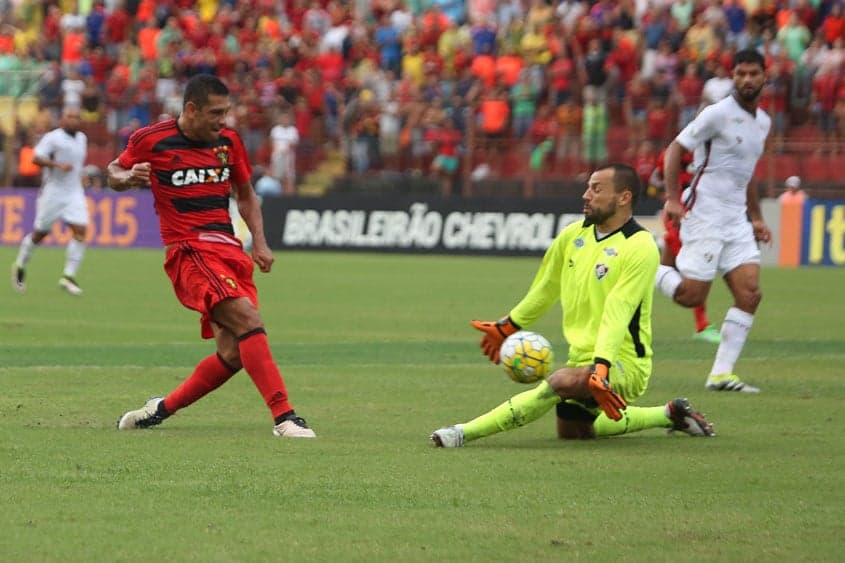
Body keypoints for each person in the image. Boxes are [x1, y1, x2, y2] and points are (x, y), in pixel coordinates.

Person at [430, 163, 714, 448]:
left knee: (561, 382)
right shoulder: (572, 235)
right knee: (575, 432)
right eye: (588, 187)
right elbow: (546, 288)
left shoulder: (639, 246)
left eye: (596, 189)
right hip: (583, 358)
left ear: (623, 198)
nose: (586, 195)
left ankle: (463, 432)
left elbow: (619, 310)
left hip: (624, 362)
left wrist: (602, 369)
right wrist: (509, 325)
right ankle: (669, 414)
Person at [107, 74, 315, 438]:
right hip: (188, 250)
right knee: (248, 319)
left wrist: (260, 242)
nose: (223, 120)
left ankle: (160, 409)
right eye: (215, 113)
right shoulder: (151, 139)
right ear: (191, 109)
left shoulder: (229, 142)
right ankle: (285, 417)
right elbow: (113, 172)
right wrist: (127, 178)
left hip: (229, 249)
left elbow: (246, 194)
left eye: (226, 112)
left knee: (234, 353)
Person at [655, 49, 772, 394]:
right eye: (740, 74)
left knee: (750, 293)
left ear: (765, 76)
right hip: (703, 212)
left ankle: (720, 374)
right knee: (691, 296)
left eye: (753, 74)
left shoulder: (763, 122)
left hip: (735, 219)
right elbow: (676, 148)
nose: (746, 80)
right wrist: (673, 198)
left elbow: (747, 173)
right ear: (732, 77)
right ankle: (651, 264)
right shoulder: (717, 113)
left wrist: (756, 217)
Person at [12, 107, 89, 296]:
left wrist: (82, 176)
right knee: (40, 234)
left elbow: (77, 165)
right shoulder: (53, 138)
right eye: (70, 117)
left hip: (74, 192)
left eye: (77, 117)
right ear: (63, 119)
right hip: (53, 192)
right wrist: (57, 165)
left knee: (81, 231)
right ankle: (20, 265)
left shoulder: (82, 138)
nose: (74, 120)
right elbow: (36, 158)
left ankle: (68, 276)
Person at [649, 147, 721, 344]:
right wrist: (670, 194)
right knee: (697, 272)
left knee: (669, 268)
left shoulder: (716, 150)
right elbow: (655, 177)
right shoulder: (679, 149)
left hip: (701, 218)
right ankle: (702, 326)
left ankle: (648, 272)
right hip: (680, 216)